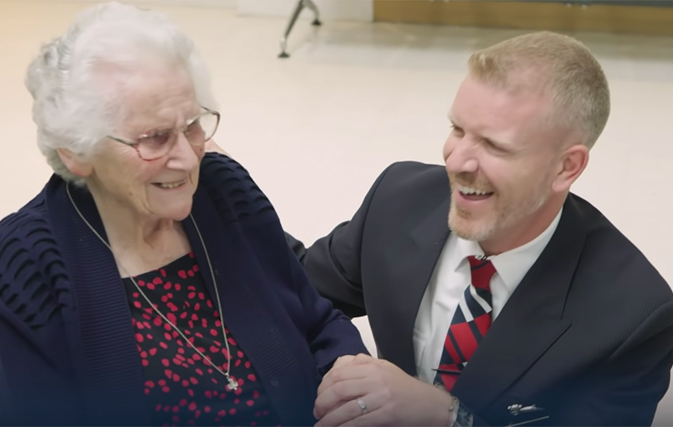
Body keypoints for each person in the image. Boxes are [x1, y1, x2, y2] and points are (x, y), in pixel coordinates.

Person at [0, 2, 367, 425]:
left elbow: (315, 320)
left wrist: (352, 386)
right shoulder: (25, 267)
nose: (189, 158)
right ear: (76, 151)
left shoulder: (224, 192)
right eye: (154, 138)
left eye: (191, 124)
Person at [287, 31, 673, 426]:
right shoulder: (397, 201)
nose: (456, 162)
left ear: (566, 167)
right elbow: (292, 289)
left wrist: (447, 416)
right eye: (457, 129)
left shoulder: (634, 317)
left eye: (494, 145)